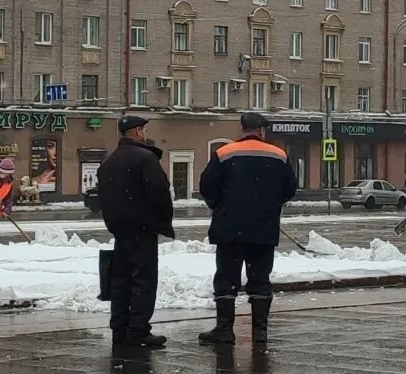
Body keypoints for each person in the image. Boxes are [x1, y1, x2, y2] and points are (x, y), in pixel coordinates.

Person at [197, 110, 296, 345]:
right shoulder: (279, 155)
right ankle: (260, 332)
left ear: (242, 130)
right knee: (260, 279)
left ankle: (224, 330)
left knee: (226, 278)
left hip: (229, 228)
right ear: (262, 131)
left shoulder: (224, 153)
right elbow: (289, 189)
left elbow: (207, 187)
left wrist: (220, 204)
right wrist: (268, 205)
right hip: (263, 228)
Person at [95, 113, 175, 348]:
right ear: (138, 132)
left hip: (120, 231)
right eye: (144, 130)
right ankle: (138, 330)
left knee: (120, 281)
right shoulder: (145, 159)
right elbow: (160, 193)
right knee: (143, 280)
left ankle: (119, 328)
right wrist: (161, 221)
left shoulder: (109, 162)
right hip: (143, 229)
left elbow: (104, 197)